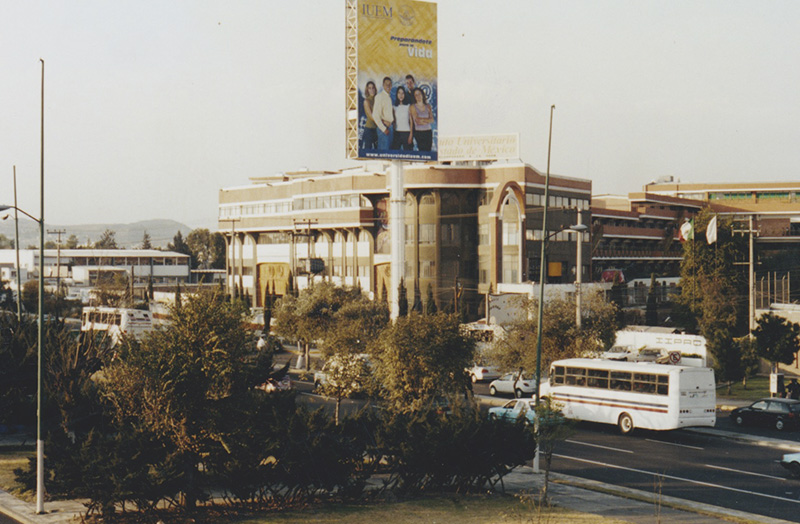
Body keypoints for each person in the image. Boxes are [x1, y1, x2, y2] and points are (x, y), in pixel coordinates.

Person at [372, 76, 395, 150]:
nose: (388, 86)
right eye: (386, 84)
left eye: (390, 84)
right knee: (384, 153)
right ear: (383, 85)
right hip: (384, 129)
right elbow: (375, 115)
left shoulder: (389, 97)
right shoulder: (379, 96)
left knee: (388, 153)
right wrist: (384, 129)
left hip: (390, 128)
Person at [409, 87, 434, 151]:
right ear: (414, 97)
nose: (418, 96)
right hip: (419, 133)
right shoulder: (412, 107)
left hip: (428, 132)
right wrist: (427, 120)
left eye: (419, 94)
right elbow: (417, 121)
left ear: (422, 94)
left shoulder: (428, 106)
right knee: (422, 151)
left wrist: (423, 120)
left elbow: (432, 120)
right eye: (416, 95)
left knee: (429, 151)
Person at [361, 81, 378, 150]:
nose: (371, 90)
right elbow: (371, 117)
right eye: (369, 88)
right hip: (369, 129)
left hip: (377, 129)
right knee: (368, 150)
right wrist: (383, 122)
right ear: (367, 90)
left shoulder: (377, 99)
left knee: (377, 151)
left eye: (373, 88)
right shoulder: (366, 101)